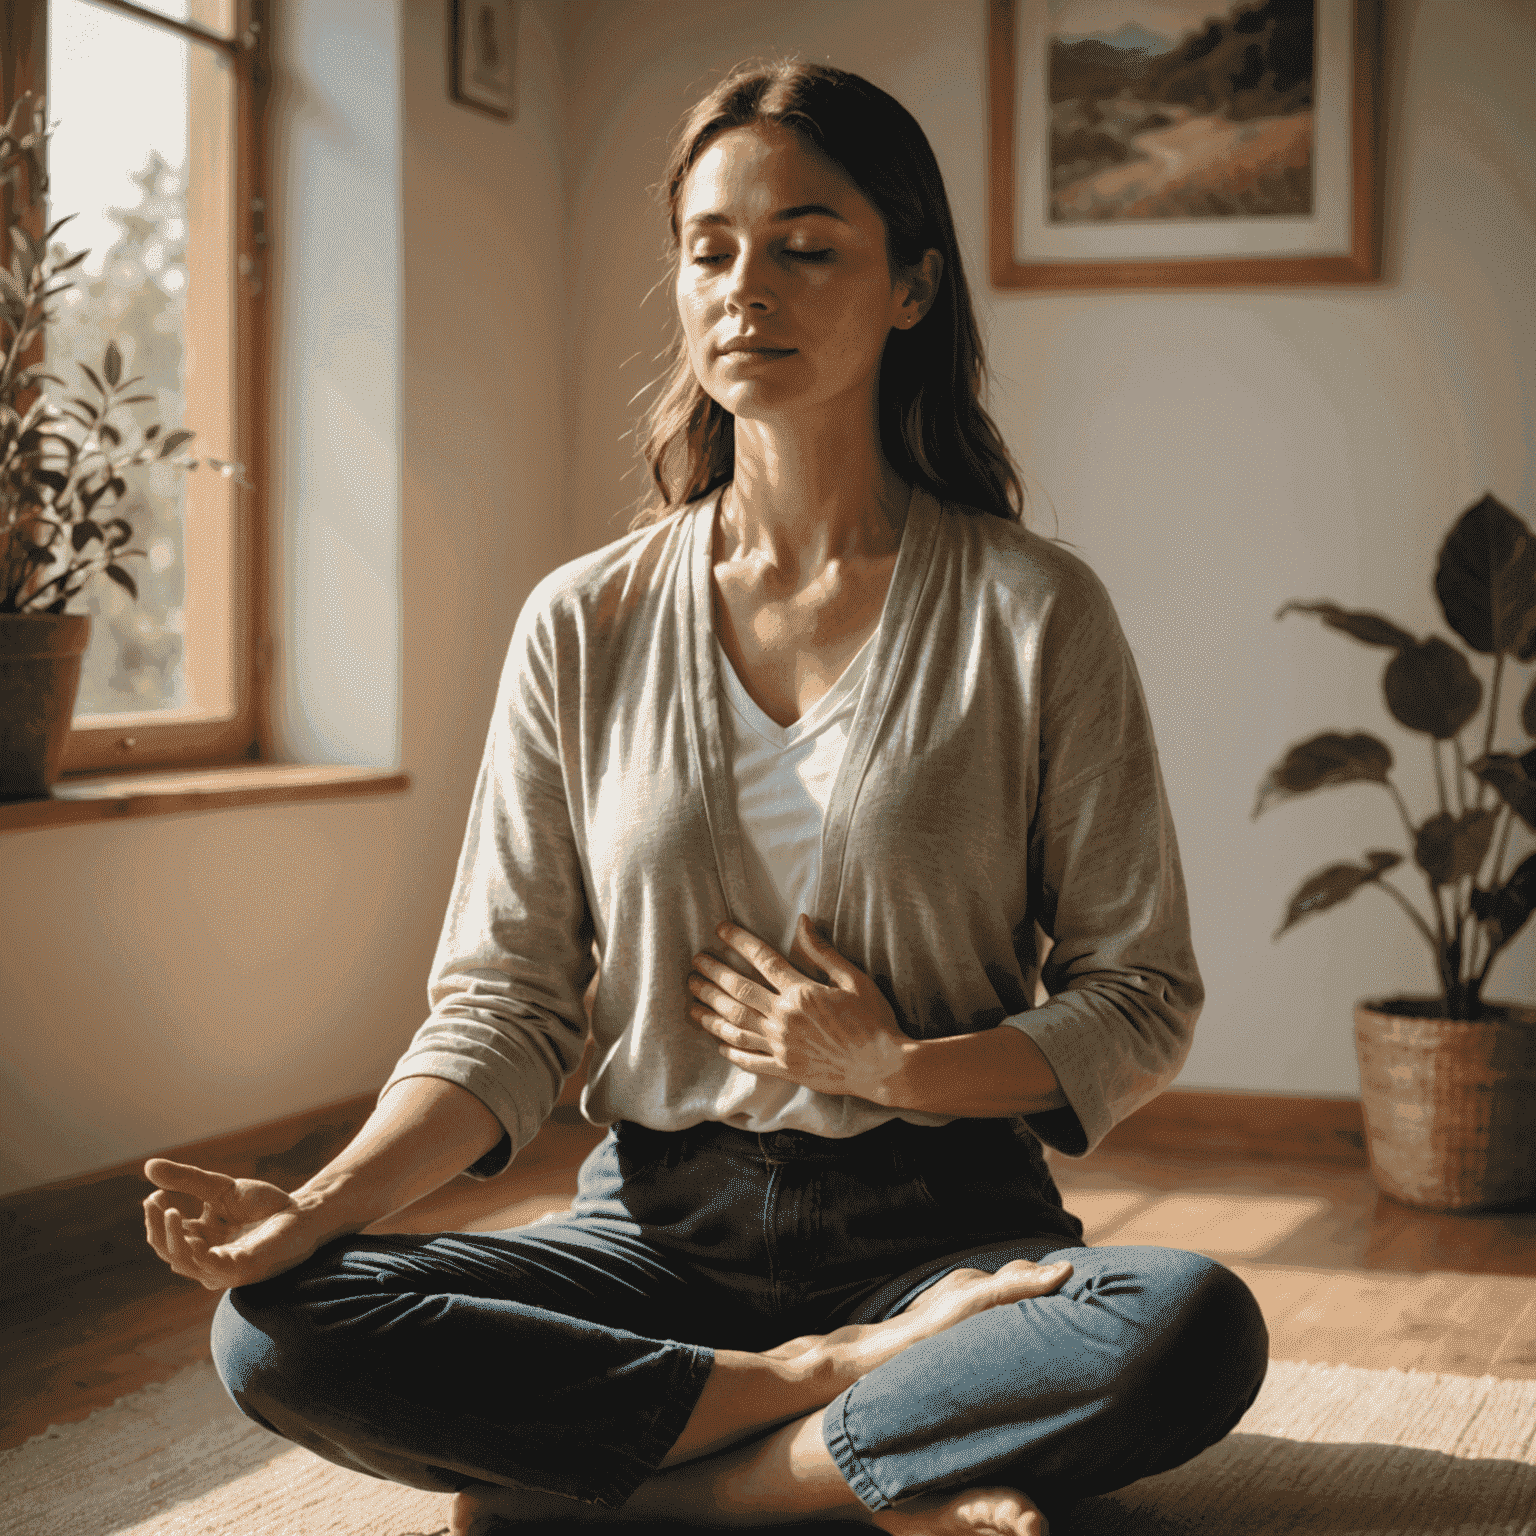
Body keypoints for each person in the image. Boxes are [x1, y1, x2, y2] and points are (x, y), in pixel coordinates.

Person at [142, 60, 1268, 1536]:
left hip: (940, 1236)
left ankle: (677, 1489)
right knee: (275, 1326)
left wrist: (895, 1070)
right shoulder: (583, 621)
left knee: (1183, 1321)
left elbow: (1141, 994)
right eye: (710, 249)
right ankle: (838, 1417)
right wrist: (318, 1202)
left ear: (911, 287)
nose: (750, 286)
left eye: (807, 247)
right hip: (655, 1230)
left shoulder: (1033, 614)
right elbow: (505, 1009)